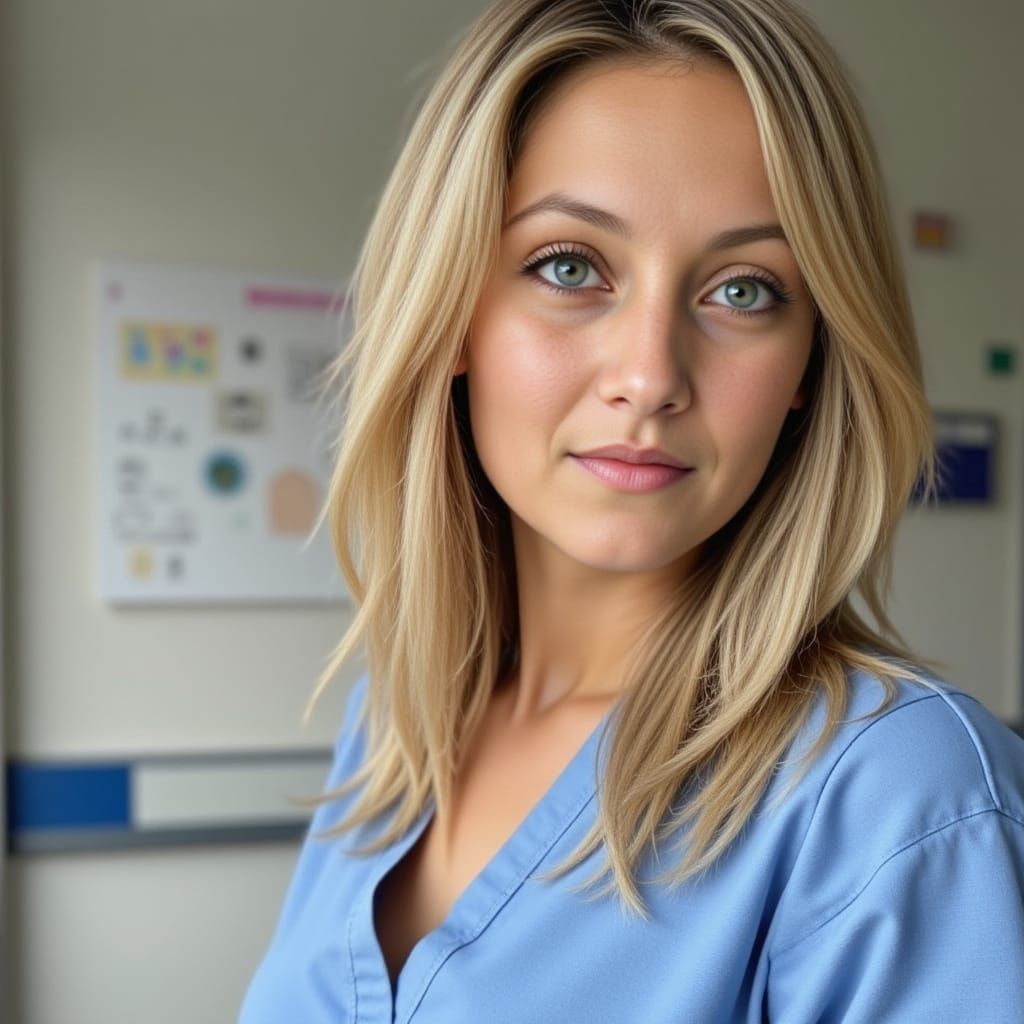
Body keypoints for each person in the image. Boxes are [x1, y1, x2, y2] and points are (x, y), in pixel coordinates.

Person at [240, 1, 1024, 1020]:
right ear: (452, 316)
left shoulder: (899, 795)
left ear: (809, 363)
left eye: (744, 290)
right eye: (568, 266)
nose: (650, 376)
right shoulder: (393, 724)